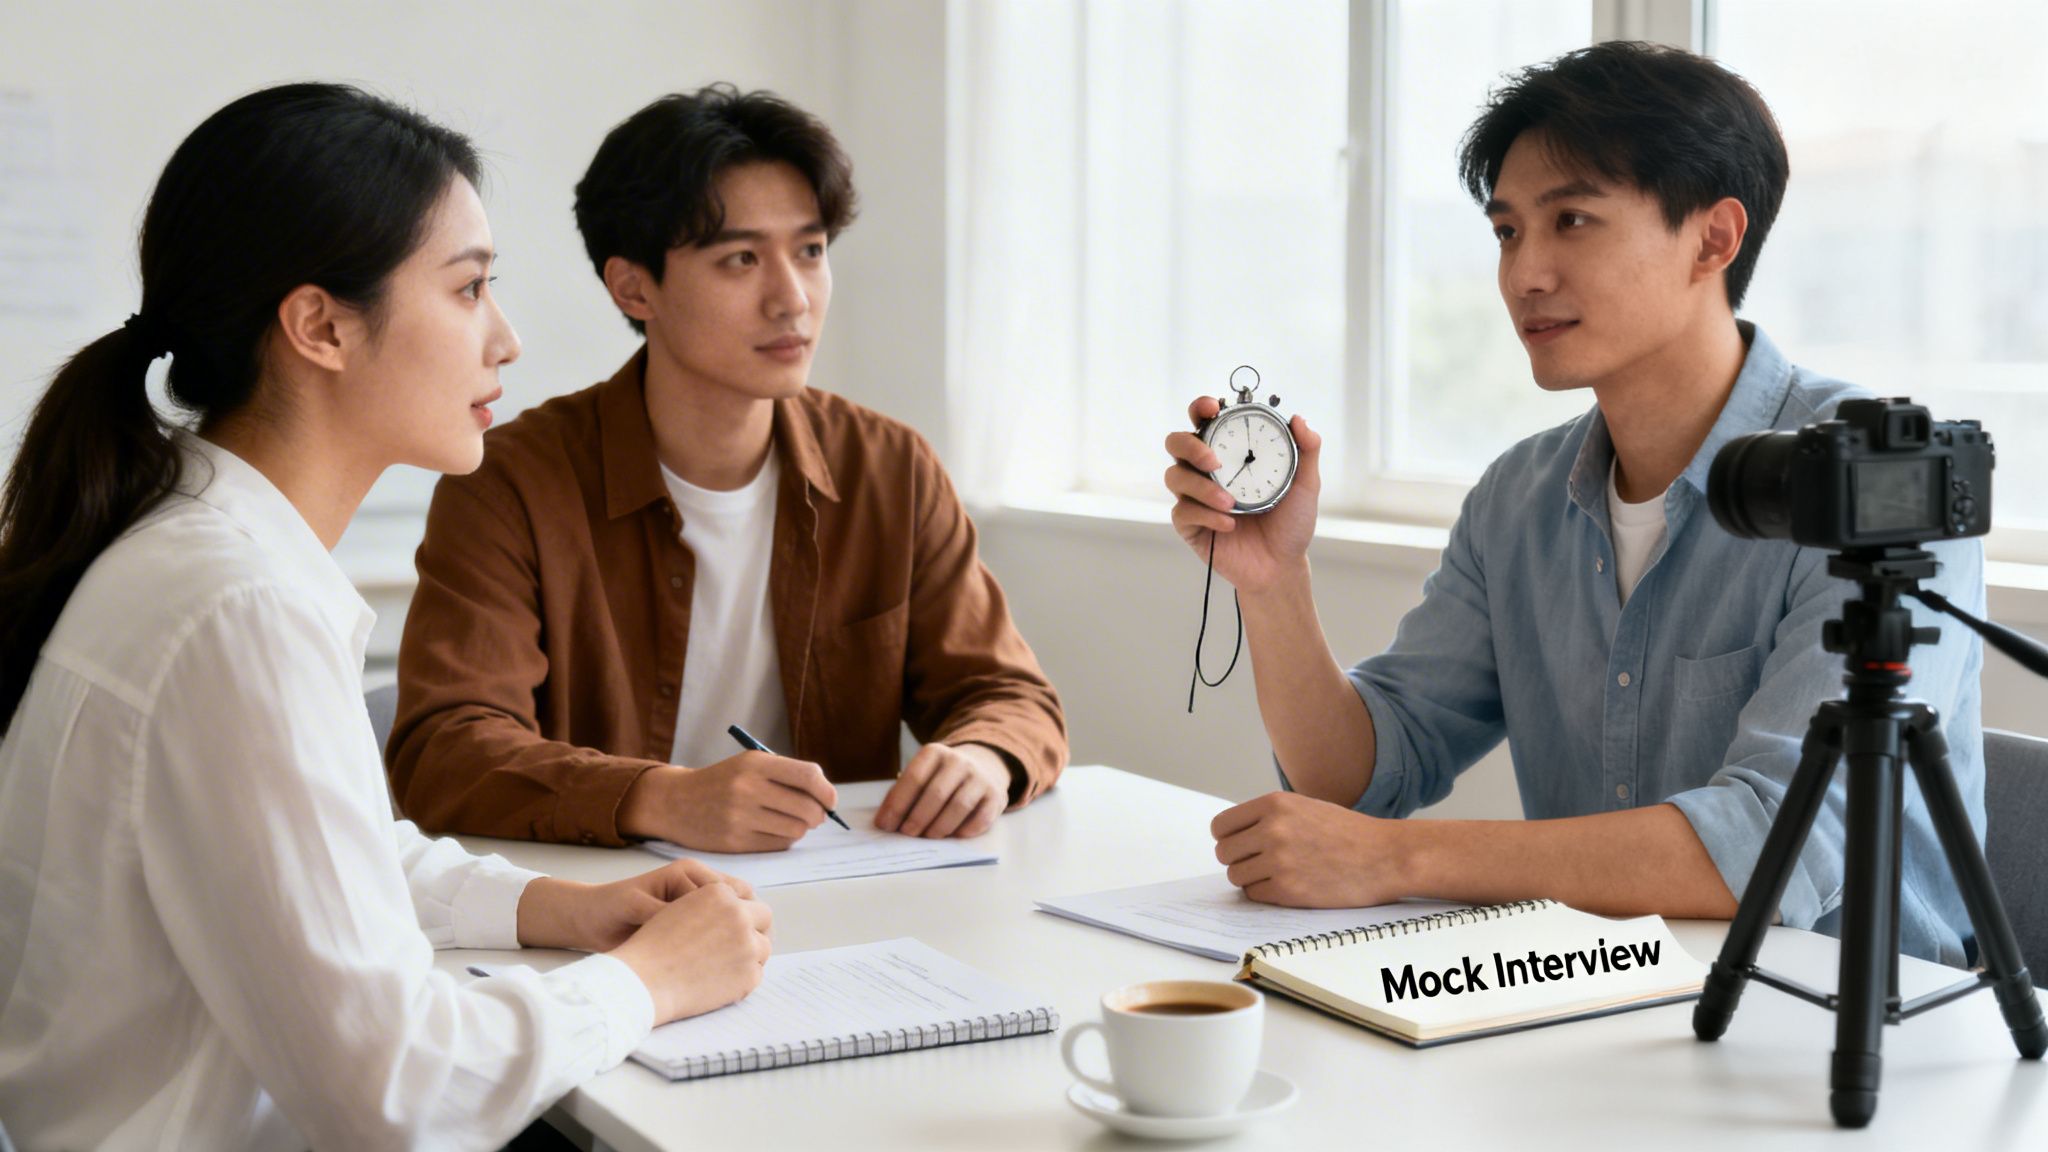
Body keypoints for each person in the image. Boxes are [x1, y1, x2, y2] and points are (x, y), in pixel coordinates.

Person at [0, 84, 773, 1151]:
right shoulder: (235, 606)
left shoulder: (195, 546)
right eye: (468, 290)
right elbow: (396, 1090)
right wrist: (646, 982)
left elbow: (320, 862)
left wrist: (551, 905)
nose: (504, 339)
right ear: (318, 326)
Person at [1162, 42, 1985, 965]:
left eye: (1574, 221)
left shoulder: (1879, 485)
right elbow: (1361, 779)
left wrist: (1397, 859)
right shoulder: (1519, 497)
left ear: (1713, 238)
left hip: (1860, 1042)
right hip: (1603, 1010)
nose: (1525, 275)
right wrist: (1275, 583)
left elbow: (1773, 843)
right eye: (1509, 231)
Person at [388, 86, 1067, 854]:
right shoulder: (508, 483)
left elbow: (1008, 694)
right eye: (741, 259)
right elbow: (446, 750)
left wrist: (984, 757)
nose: (792, 299)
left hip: (842, 905)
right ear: (634, 286)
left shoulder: (890, 469)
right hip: (598, 911)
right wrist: (662, 797)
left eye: (810, 252)